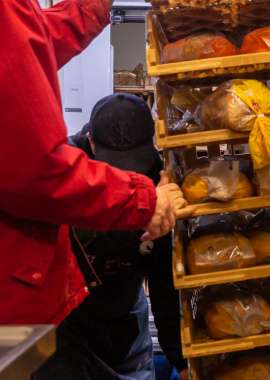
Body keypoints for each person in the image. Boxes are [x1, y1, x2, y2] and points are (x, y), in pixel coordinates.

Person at [0, 0, 184, 325]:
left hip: (58, 301)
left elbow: (27, 44)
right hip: (22, 305)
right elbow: (36, 173)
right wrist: (143, 202)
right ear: (91, 142)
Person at [33, 94, 188, 380]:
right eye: (117, 165)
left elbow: (164, 281)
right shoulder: (63, 169)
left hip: (123, 313)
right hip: (61, 321)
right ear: (91, 142)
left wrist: (179, 359)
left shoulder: (159, 180)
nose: (129, 173)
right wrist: (141, 213)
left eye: (136, 163)